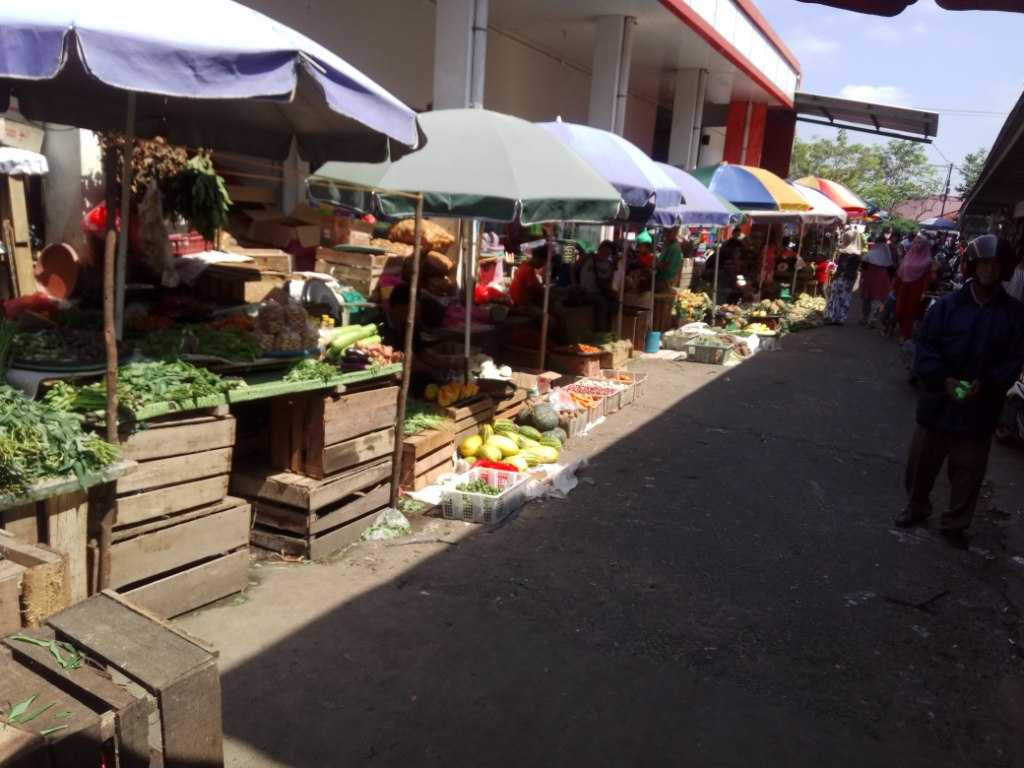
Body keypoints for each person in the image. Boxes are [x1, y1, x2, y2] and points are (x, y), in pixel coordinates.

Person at [895, 235, 1024, 549]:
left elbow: (1014, 359)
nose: (989, 271)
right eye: (984, 263)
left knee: (968, 470)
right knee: (922, 462)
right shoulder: (947, 306)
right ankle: (917, 507)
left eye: (996, 265)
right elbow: (925, 346)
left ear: (1004, 269)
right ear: (972, 266)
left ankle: (955, 524)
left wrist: (988, 383)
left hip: (981, 406)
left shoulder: (1014, 314)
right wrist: (943, 379)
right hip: (938, 400)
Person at [893, 235, 937, 342]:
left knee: (910, 311)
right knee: (899, 309)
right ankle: (900, 328)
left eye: (920, 243)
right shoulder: (908, 256)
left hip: (917, 289)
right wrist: (894, 286)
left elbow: (928, 278)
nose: (917, 245)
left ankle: (905, 334)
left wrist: (924, 291)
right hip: (903, 287)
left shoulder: (928, 261)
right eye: (916, 242)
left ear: (925, 245)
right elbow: (901, 271)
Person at [826, 224, 864, 324]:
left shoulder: (845, 252)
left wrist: (834, 277)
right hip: (851, 278)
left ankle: (832, 317)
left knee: (835, 296)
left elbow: (842, 267)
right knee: (846, 297)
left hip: (842, 277)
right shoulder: (858, 254)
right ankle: (841, 318)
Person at [859, 235, 894, 327]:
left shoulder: (869, 254)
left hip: (869, 278)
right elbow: (891, 272)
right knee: (877, 300)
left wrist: (862, 278)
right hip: (882, 281)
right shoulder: (888, 256)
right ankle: (873, 319)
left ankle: (864, 318)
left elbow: (863, 268)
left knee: (866, 299)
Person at [655, 226, 684, 292]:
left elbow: (666, 265)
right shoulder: (668, 245)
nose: (665, 235)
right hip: (665, 277)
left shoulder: (673, 247)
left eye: (668, 233)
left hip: (666, 279)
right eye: (665, 232)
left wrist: (656, 264)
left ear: (674, 233)